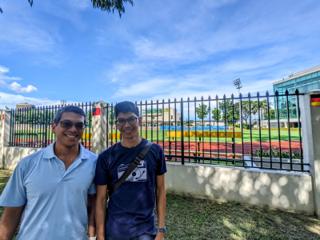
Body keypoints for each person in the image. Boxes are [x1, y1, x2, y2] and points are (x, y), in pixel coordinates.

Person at [0, 106, 97, 240]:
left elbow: (94, 205)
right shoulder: (28, 164)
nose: (73, 129)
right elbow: (12, 212)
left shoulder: (93, 163)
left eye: (79, 125)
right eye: (66, 124)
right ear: (53, 126)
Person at [95, 101, 167, 240]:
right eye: (121, 120)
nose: (127, 125)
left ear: (139, 120)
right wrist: (101, 235)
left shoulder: (155, 151)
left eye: (131, 119)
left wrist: (161, 229)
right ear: (116, 125)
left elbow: (161, 190)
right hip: (115, 230)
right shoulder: (106, 157)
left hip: (145, 231)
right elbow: (101, 199)